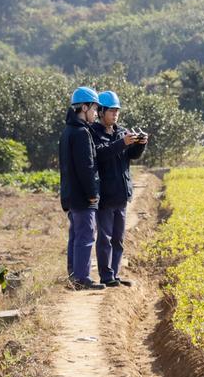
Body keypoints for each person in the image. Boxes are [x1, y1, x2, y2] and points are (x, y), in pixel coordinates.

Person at [91, 90, 147, 287]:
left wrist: (140, 144)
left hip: (121, 194)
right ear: (101, 112)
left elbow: (131, 155)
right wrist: (121, 143)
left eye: (117, 112)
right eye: (112, 111)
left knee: (118, 239)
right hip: (106, 195)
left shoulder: (121, 131)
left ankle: (115, 274)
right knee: (104, 238)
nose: (115, 115)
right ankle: (105, 275)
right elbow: (100, 154)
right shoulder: (93, 133)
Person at [59, 86, 105, 291]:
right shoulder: (81, 133)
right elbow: (86, 167)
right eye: (94, 109)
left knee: (76, 236)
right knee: (86, 236)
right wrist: (93, 194)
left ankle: (74, 275)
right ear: (84, 108)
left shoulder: (67, 131)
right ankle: (82, 278)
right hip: (82, 196)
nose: (96, 113)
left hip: (71, 195)